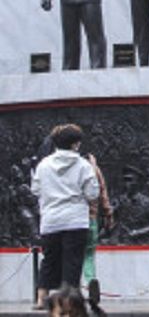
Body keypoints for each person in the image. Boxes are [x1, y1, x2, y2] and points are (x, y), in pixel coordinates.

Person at [32, 124, 99, 309]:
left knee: (49, 259)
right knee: (73, 261)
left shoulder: (43, 165)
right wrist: (93, 169)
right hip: (75, 220)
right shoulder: (83, 165)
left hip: (51, 220)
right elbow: (93, 193)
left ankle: (41, 299)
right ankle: (69, 302)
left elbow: (35, 189)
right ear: (75, 144)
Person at [82, 155, 114, 304]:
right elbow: (103, 193)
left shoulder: (72, 169)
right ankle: (91, 281)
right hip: (92, 219)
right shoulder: (95, 170)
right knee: (89, 256)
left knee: (72, 257)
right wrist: (108, 214)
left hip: (73, 221)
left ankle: (73, 290)